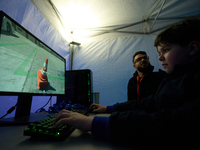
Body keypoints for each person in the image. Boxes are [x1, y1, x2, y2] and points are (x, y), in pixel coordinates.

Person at [54, 18, 200, 149]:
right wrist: (108, 108)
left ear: (193, 48)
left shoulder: (162, 77)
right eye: (139, 59)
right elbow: (144, 104)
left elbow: (172, 123)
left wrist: (94, 123)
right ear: (134, 66)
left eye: (166, 50)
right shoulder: (165, 79)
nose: (160, 58)